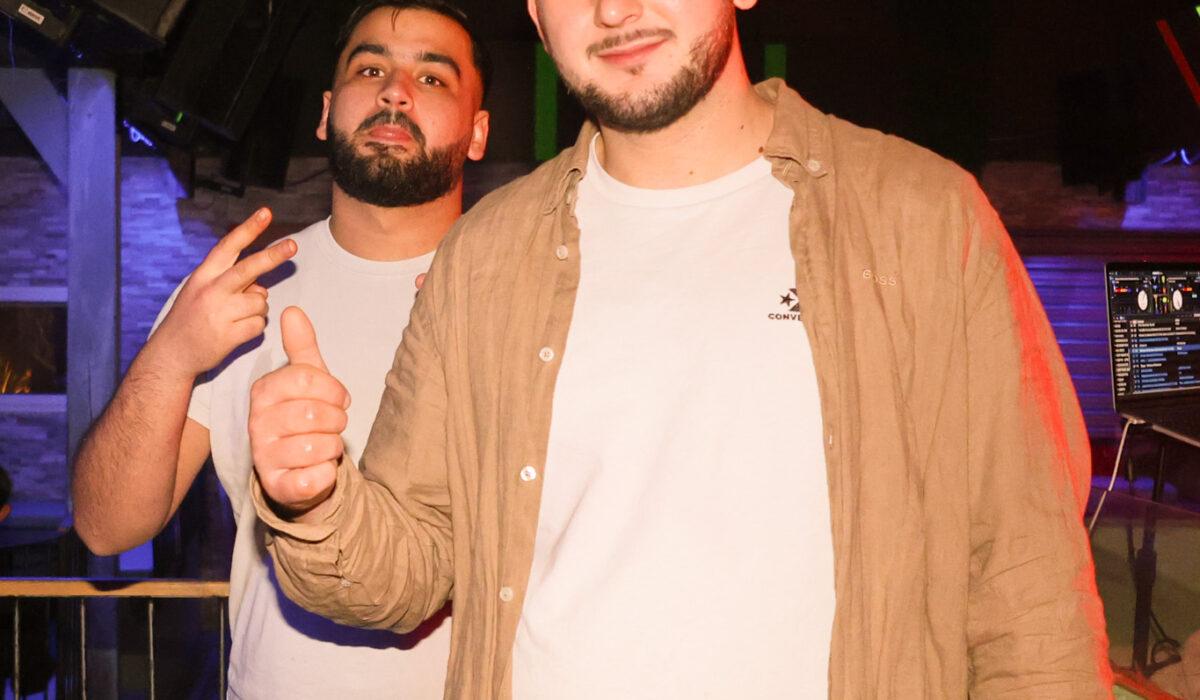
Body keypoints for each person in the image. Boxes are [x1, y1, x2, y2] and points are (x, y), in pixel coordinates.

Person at [248, 0, 1112, 697]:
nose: (614, 9)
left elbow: (1029, 584)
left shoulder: (923, 219)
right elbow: (411, 561)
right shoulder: (484, 253)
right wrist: (313, 500)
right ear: (538, 20)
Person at [71, 2, 489, 697]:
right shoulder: (236, 296)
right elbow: (104, 527)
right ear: (325, 113)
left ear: (478, 132)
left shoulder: (522, 296)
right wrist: (171, 353)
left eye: (432, 78)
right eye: (370, 69)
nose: (395, 92)